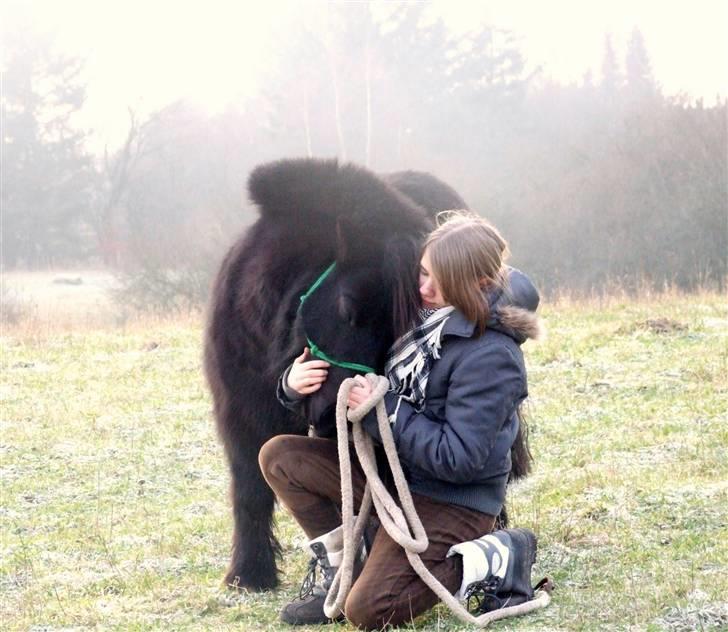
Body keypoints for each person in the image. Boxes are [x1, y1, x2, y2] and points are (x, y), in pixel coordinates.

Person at [259, 212, 542, 629]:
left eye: (439, 280)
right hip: (396, 475)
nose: (424, 288)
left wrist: (385, 410)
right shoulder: (420, 319)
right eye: (423, 272)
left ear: (476, 284)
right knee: (281, 457)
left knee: (370, 611)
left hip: (452, 500)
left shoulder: (493, 358)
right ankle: (344, 570)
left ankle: (495, 556)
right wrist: (291, 384)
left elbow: (458, 459)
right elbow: (346, 356)